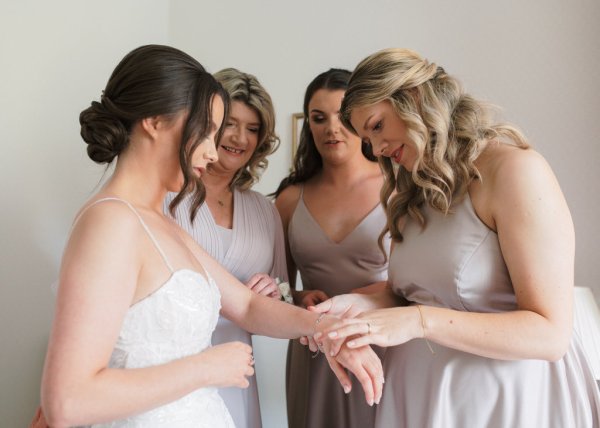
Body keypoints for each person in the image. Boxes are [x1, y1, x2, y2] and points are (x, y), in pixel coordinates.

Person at [39, 45, 383, 427]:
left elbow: (249, 307)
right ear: (155, 121)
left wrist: (330, 330)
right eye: (207, 132)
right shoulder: (109, 222)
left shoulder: (157, 222)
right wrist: (204, 368)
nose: (212, 151)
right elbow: (68, 402)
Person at [314, 48, 600, 427]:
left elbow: (549, 334)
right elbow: (411, 294)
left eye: (378, 126)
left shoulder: (514, 171)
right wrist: (352, 307)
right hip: (422, 396)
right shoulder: (412, 192)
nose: (377, 149)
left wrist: (418, 322)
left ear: (414, 98)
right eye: (368, 138)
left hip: (503, 401)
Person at [165, 67, 285, 428]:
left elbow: (277, 295)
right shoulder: (166, 196)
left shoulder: (265, 210)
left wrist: (273, 294)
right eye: (230, 124)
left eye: (253, 129)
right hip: (174, 367)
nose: (240, 138)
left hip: (238, 372)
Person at [274, 68, 391, 428]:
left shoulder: (397, 188)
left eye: (342, 115)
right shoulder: (291, 198)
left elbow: (417, 286)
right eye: (318, 118)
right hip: (314, 350)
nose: (331, 128)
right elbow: (276, 289)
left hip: (381, 347)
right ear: (308, 125)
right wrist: (299, 297)